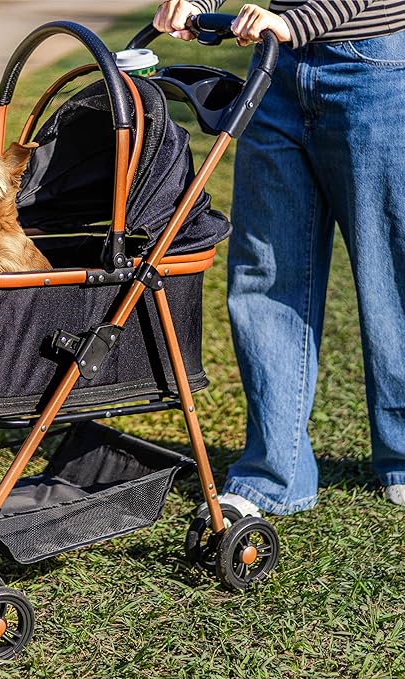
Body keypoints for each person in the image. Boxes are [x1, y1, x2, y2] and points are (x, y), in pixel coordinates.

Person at [153, 0, 405, 514]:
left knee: (391, 277)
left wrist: (298, 22)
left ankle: (402, 457)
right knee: (265, 273)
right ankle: (273, 474)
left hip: (374, 69)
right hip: (276, 68)